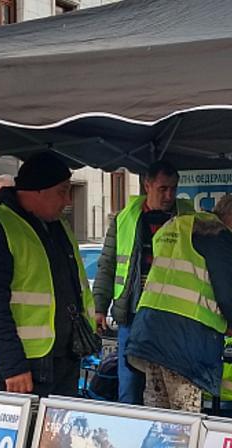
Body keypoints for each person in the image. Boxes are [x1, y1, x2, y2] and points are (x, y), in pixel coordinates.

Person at [0, 152, 95, 396]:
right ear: (38, 190)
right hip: (20, 366)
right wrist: (13, 366)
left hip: (62, 357)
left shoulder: (57, 226)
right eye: (62, 191)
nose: (68, 201)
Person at [123, 194, 232, 412]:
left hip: (149, 332)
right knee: (185, 417)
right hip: (183, 341)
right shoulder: (215, 234)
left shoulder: (177, 225)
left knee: (158, 413)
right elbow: (226, 292)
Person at [93, 161, 193, 405]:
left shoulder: (190, 219)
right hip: (133, 314)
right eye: (163, 188)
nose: (169, 195)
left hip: (173, 317)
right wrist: (99, 307)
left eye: (173, 188)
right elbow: (107, 265)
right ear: (147, 185)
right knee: (130, 385)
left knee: (171, 392)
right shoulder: (124, 219)